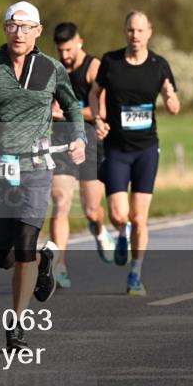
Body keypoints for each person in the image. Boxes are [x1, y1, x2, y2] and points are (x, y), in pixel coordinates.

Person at [0, 1, 85, 351]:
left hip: (36, 167)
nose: (19, 32)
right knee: (4, 256)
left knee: (25, 243)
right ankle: (46, 259)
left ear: (38, 31)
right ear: (4, 28)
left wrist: (79, 137)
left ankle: (15, 329)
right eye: (13, 25)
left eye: (26, 27)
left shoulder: (51, 68)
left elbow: (72, 105)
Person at [89, 11, 180, 296]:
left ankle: (135, 274)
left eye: (140, 31)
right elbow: (94, 93)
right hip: (116, 148)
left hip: (146, 150)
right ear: (124, 31)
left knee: (140, 217)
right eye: (130, 30)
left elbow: (175, 107)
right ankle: (121, 233)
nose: (135, 36)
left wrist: (169, 95)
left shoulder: (159, 65)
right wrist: (98, 120)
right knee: (119, 214)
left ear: (149, 32)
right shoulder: (111, 62)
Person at [49, 22, 114, 289]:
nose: (64, 56)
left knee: (91, 209)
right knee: (61, 201)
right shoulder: (54, 70)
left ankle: (99, 230)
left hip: (88, 141)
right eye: (60, 50)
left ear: (80, 42)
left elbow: (102, 112)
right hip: (59, 141)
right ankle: (59, 266)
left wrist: (66, 112)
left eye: (68, 49)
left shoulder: (94, 68)